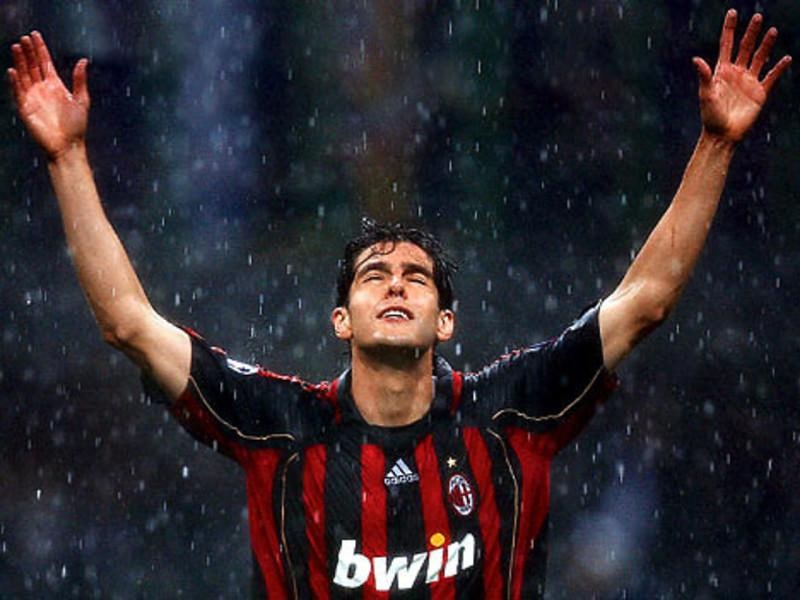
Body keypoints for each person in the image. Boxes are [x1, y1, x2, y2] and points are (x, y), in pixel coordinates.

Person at [7, 9, 791, 598]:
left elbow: (646, 299)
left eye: (417, 277)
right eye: (373, 274)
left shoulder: (508, 412)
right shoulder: (280, 423)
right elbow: (128, 323)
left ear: (445, 322)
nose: (394, 283)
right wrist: (68, 158)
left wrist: (716, 143)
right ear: (341, 320)